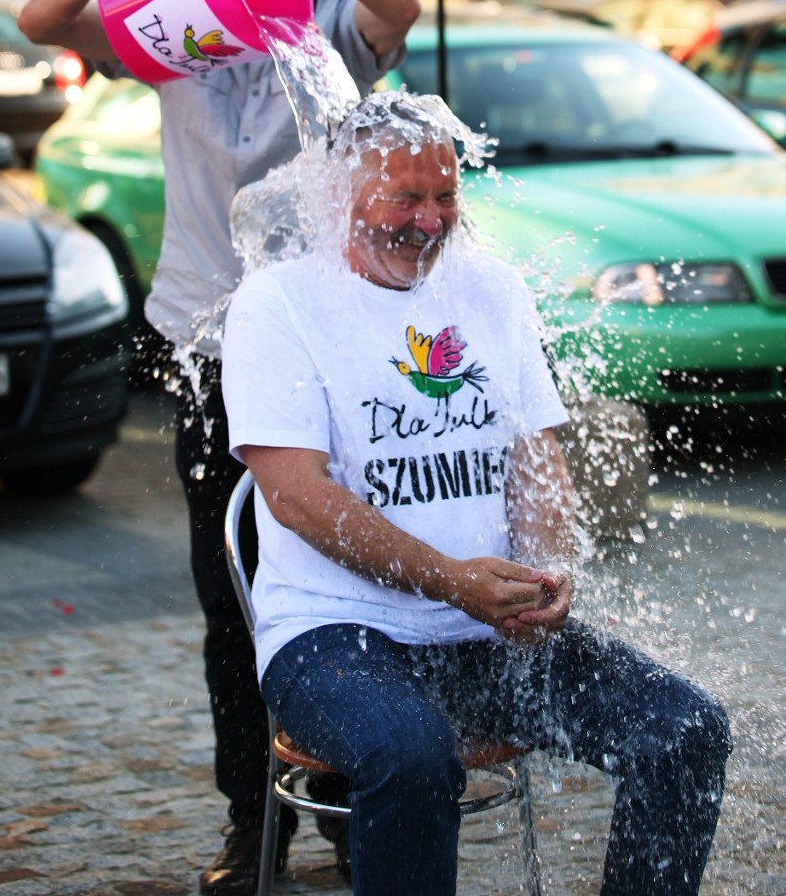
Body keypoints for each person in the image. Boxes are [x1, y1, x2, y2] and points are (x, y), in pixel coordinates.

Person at [17, 0, 421, 896]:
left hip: (326, 345)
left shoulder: (331, 27)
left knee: (341, 578)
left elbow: (400, 5)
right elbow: (39, 19)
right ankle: (255, 821)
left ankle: (343, 802)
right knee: (231, 592)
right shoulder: (178, 32)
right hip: (207, 343)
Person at [220, 90, 732, 896]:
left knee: (686, 730)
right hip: (332, 637)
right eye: (405, 198)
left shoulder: (491, 289)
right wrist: (451, 580)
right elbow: (294, 496)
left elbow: (536, 460)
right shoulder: (277, 304)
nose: (430, 220)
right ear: (337, 199)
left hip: (484, 629)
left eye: (446, 196)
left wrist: (549, 569)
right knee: (411, 754)